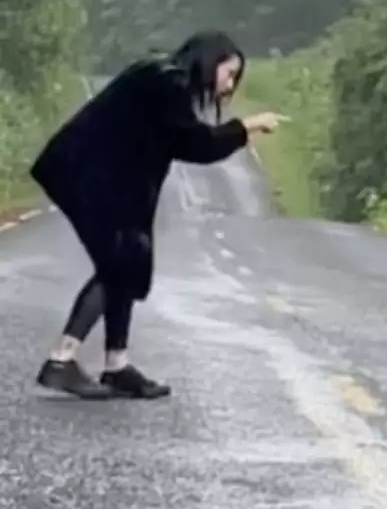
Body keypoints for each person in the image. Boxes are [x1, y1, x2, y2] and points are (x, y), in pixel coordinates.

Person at [30, 30, 280, 400]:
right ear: (211, 61)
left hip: (107, 177)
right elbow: (196, 143)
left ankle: (116, 365)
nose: (229, 86)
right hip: (84, 172)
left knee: (127, 259)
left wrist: (236, 132)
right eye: (229, 74)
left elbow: (181, 143)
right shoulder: (168, 82)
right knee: (118, 265)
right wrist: (246, 127)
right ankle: (60, 361)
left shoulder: (162, 78)